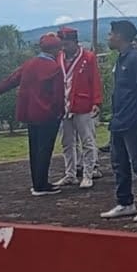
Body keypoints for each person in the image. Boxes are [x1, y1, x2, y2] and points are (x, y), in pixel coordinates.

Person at [0, 34, 65, 196]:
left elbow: (13, 79)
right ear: (54, 49)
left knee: (34, 149)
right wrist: (60, 112)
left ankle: (37, 183)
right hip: (47, 114)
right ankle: (41, 185)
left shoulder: (29, 64)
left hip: (30, 113)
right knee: (45, 149)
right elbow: (58, 95)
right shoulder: (54, 68)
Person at [100, 21, 137, 223]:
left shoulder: (136, 59)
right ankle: (125, 202)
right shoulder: (121, 59)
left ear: (120, 36)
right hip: (119, 119)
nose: (108, 37)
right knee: (119, 163)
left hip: (134, 119)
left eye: (111, 34)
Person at [54, 27, 102, 190]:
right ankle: (70, 174)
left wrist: (96, 101)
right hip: (65, 105)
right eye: (62, 44)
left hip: (83, 104)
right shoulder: (59, 57)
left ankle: (88, 173)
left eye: (66, 44)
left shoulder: (88, 57)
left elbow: (95, 80)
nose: (64, 47)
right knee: (67, 142)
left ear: (75, 42)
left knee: (87, 141)